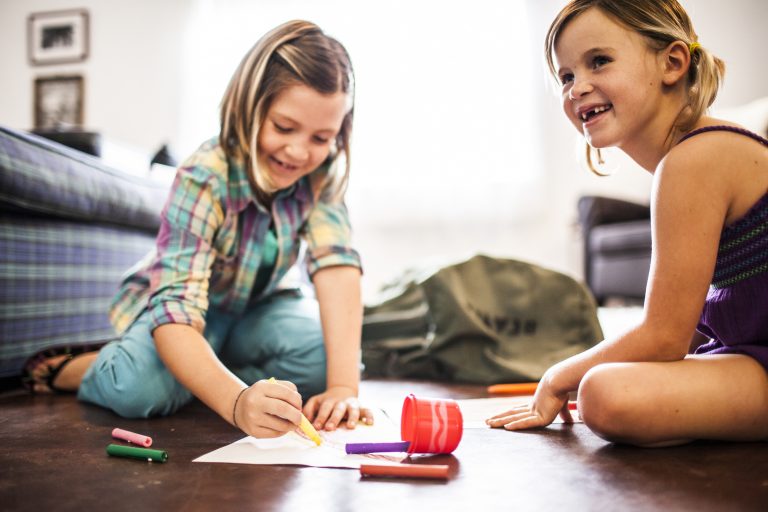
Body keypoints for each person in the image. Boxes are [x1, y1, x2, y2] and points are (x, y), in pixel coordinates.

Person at [23, 20, 374, 439]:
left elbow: (336, 267)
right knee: (136, 391)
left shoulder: (322, 174)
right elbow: (175, 311)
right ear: (249, 107)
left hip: (254, 313)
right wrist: (238, 402)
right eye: (283, 127)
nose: (299, 151)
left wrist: (343, 387)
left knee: (327, 361)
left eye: (322, 137)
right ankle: (79, 367)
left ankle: (202, 371)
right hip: (186, 316)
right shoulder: (204, 175)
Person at [487, 0, 768, 446]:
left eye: (599, 61)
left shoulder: (697, 157)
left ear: (672, 63)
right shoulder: (684, 162)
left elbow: (663, 336)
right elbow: (691, 322)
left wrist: (559, 376)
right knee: (609, 379)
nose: (577, 87)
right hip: (750, 355)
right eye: (566, 76)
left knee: (602, 391)